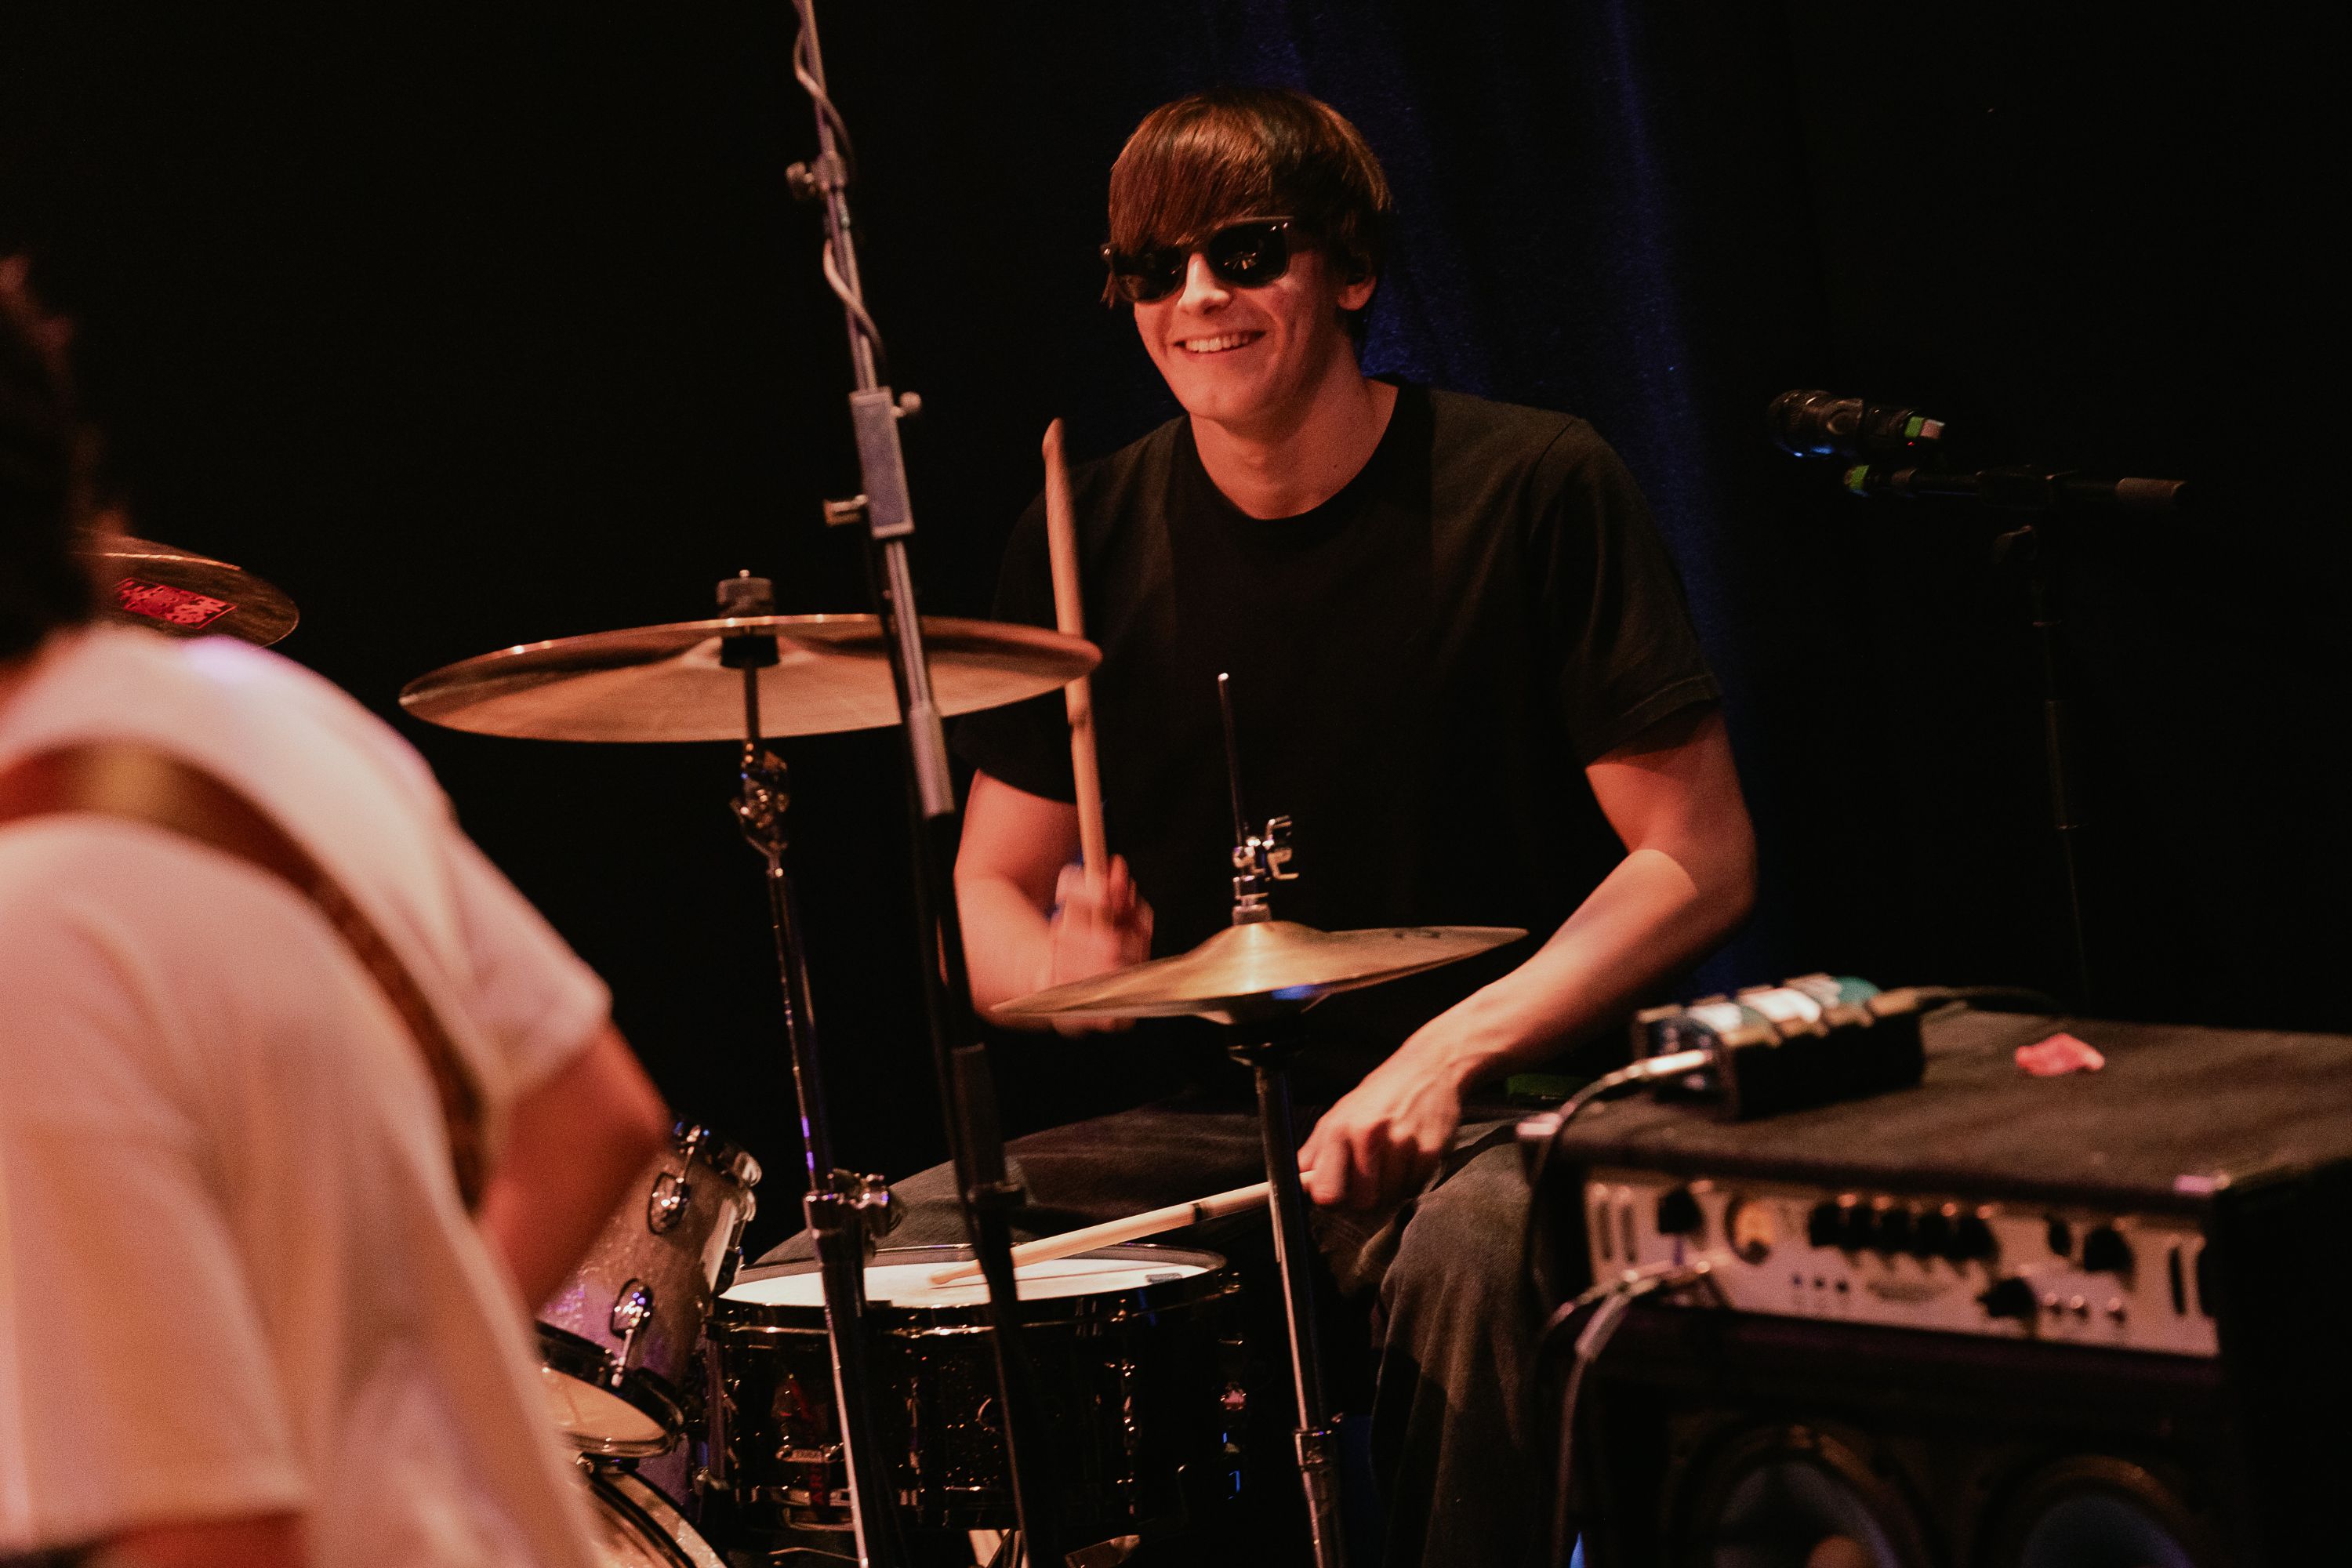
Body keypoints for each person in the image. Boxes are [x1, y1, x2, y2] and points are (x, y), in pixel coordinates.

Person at [940, 88, 1761, 1568]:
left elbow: (1695, 858)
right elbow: (992, 895)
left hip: (1508, 1106)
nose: (1198, 298)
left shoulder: (1533, 485)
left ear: (1351, 271)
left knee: (1475, 1253)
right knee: (904, 1269)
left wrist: (1450, 1049)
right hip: (1209, 1127)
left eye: (1246, 253)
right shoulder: (1083, 528)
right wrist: (1063, 981)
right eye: (1154, 268)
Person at [0, 259, 672, 1568]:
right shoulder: (270, 715)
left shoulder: (33, 928)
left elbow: (209, 1539)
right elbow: (594, 1116)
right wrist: (388, 1407)